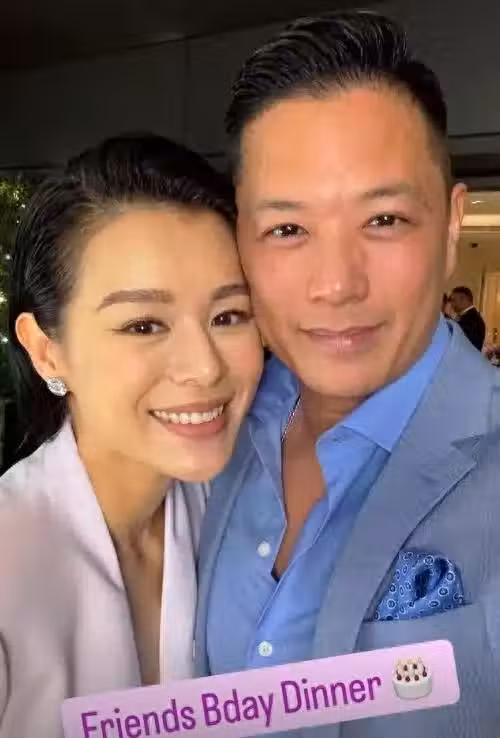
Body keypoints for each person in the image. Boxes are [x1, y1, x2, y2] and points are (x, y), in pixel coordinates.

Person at [194, 11, 500, 738]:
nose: (336, 284)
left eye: (384, 220)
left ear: (451, 224)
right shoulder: (218, 427)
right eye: (288, 229)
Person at [0, 134, 263, 737]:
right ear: (46, 350)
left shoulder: (236, 511)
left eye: (228, 316)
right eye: (144, 325)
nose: (204, 367)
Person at [450, 285, 486, 350]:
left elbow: (456, 340)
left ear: (463, 299)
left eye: (453, 300)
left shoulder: (471, 319)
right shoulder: (473, 316)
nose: (451, 304)